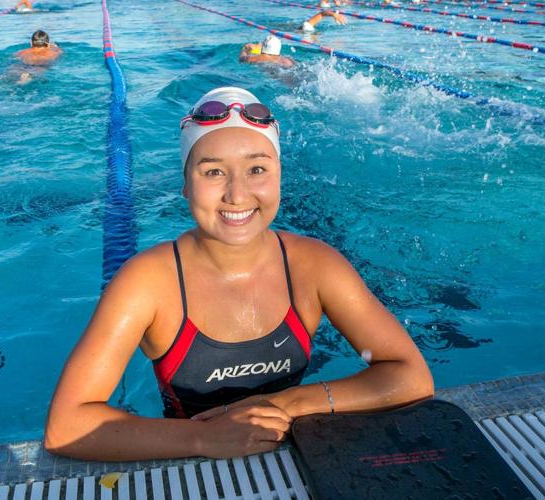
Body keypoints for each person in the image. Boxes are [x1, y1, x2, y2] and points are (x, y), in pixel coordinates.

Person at [44, 87, 434, 461]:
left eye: (257, 169)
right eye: (213, 172)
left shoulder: (314, 266)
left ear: (279, 175)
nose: (237, 194)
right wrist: (202, 438)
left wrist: (286, 404)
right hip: (187, 460)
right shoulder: (148, 282)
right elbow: (66, 427)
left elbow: (411, 378)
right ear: (185, 184)